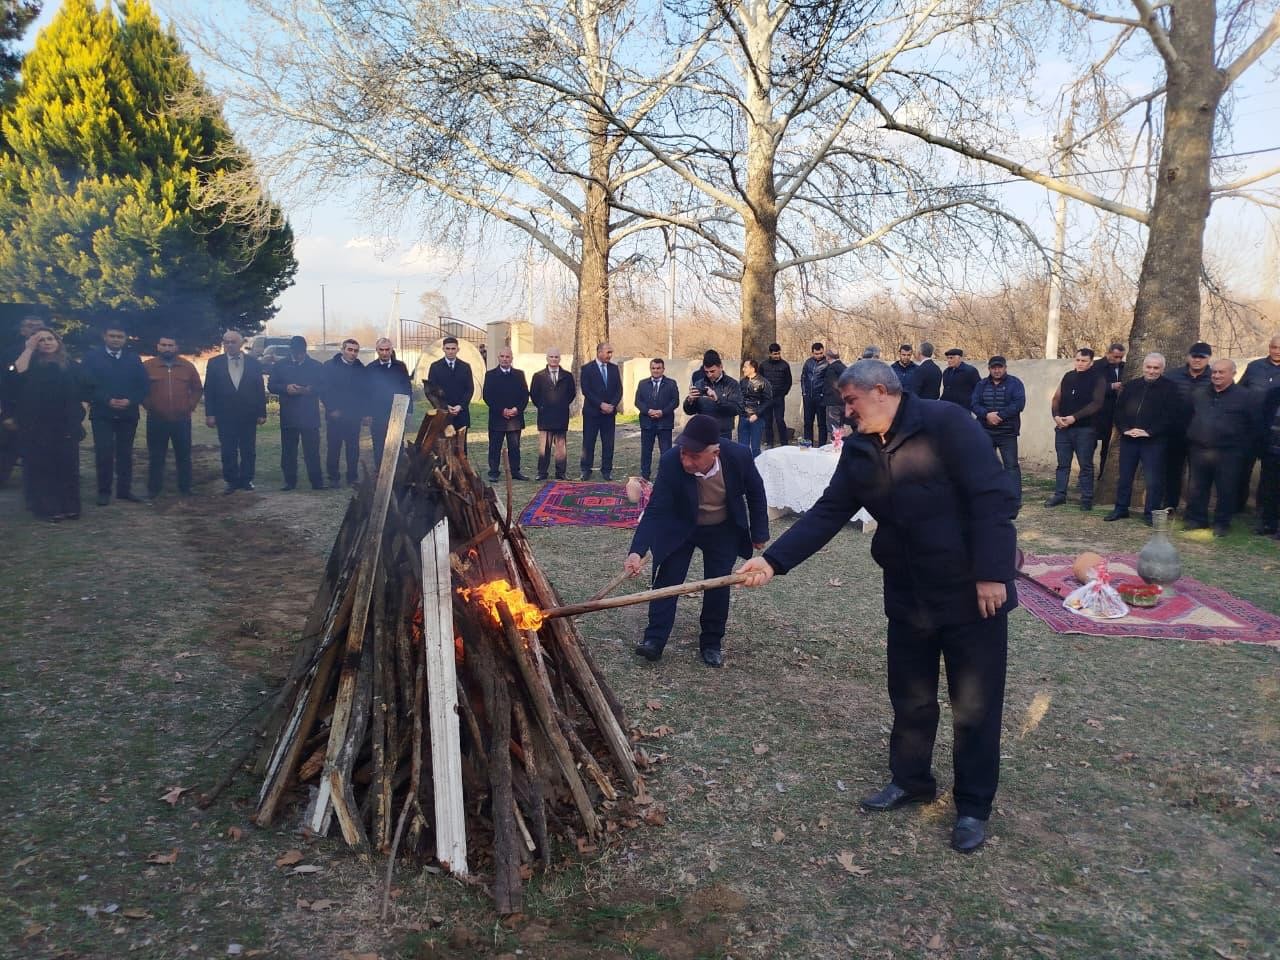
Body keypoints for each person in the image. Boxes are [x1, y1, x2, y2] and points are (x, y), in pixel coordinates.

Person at [737, 360, 1017, 854]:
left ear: (883, 392)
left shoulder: (947, 423)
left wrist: (993, 574)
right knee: (910, 695)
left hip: (970, 593)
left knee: (974, 704)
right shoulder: (861, 448)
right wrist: (773, 562)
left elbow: (992, 498)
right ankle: (910, 780)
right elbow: (828, 511)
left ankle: (973, 805)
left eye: (851, 402)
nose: (845, 413)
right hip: (907, 592)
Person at [624, 413, 768, 668]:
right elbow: (656, 509)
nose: (686, 460)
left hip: (721, 527)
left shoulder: (738, 457)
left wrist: (759, 533)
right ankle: (654, 640)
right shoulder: (671, 461)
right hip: (681, 526)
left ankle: (711, 643)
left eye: (694, 455)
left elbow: (756, 492)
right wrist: (637, 551)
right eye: (683, 453)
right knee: (667, 580)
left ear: (715, 451)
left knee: (717, 583)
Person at [8, 329, 85, 521]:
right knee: (43, 467)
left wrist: (81, 407)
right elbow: (16, 374)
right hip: (38, 423)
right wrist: (28, 348)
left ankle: (70, 505)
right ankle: (47, 508)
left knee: (68, 465)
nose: (47, 342)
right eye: (41, 340)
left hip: (66, 422)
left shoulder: (70, 364)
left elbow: (86, 386)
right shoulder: (30, 362)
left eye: (50, 339)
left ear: (58, 341)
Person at [1184, 359, 1259, 536]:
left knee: (1226, 489)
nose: (1216, 375)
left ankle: (1221, 523)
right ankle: (1197, 520)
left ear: (1233, 374)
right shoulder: (1199, 394)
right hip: (1199, 450)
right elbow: (1187, 416)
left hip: (1229, 453)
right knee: (1197, 487)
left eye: (1221, 372)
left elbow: (1254, 425)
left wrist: (1243, 448)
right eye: (1214, 372)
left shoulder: (1245, 397)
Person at [1104, 352, 1179, 525]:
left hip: (1154, 441)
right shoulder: (1131, 386)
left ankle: (1150, 513)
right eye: (1149, 367)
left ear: (1162, 369)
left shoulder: (1170, 388)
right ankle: (1121, 508)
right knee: (1125, 477)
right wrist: (1126, 430)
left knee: (1153, 480)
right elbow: (1119, 411)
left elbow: (1171, 416)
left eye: (1156, 368)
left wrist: (1149, 432)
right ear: (1143, 367)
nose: (1152, 371)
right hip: (1130, 439)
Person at [80, 323, 149, 506]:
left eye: (120, 336)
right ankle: (104, 491)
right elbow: (86, 385)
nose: (116, 339)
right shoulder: (91, 357)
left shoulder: (134, 359)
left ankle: (124, 491)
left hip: (128, 414)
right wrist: (106, 400)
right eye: (112, 336)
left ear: (125, 339)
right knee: (104, 453)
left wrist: (131, 400)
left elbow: (143, 386)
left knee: (125, 453)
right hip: (102, 413)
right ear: (105, 336)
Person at [204, 330, 267, 493]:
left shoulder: (253, 363)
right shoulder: (214, 363)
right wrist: (210, 414)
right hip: (224, 415)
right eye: (226, 342)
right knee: (228, 449)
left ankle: (246, 480)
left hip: (248, 414)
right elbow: (209, 390)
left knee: (248, 449)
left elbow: (259, 388)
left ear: (241, 344)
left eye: (233, 342)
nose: (229, 345)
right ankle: (231, 481)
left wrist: (262, 413)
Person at [142, 335, 203, 498]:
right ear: (158, 346)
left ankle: (185, 488)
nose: (167, 348)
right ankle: (154, 489)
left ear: (176, 348)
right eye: (164, 345)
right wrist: (150, 405)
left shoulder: (187, 366)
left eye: (170, 345)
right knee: (156, 455)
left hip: (181, 419)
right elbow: (140, 389)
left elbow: (197, 388)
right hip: (156, 419)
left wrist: (190, 405)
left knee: (183, 455)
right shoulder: (148, 366)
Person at [1046, 348, 1105, 510]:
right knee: (1062, 464)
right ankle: (1060, 495)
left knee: (1085, 465)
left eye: (1084, 361)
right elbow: (1056, 398)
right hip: (1063, 428)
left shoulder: (1097, 378)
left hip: (1085, 429)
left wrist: (1074, 417)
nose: (1080, 363)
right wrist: (1056, 416)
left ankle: (1086, 499)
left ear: (1091, 362)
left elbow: (1097, 403)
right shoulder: (1068, 376)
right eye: (1078, 360)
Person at [267, 335, 325, 491]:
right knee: (288, 451)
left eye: (301, 352)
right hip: (289, 415)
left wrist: (309, 390)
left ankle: (316, 481)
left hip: (309, 415)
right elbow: (271, 385)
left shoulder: (316, 366)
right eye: (295, 352)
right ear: (291, 351)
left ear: (305, 350)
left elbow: (323, 386)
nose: (298, 355)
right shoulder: (280, 365)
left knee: (312, 451)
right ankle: (290, 481)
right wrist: (286, 388)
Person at [970, 356, 1025, 511]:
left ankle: (1014, 499)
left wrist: (1000, 416)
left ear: (1005, 367)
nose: (997, 370)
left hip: (1007, 433)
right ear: (989, 369)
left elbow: (1019, 404)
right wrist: (987, 415)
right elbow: (974, 403)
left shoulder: (1015, 383)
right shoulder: (981, 385)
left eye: (1000, 367)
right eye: (994, 367)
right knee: (985, 465)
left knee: (1011, 467)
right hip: (985, 431)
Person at [1164, 342, 1213, 512]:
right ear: (1188, 357)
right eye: (1194, 356)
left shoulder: (1214, 377)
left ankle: (1194, 510)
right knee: (1172, 471)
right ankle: (1170, 505)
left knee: (1198, 475)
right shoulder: (1172, 375)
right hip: (1175, 432)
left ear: (1208, 359)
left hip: (1201, 434)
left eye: (1202, 357)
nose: (1197, 360)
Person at [1238, 333, 1280, 524]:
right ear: (1269, 347)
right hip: (1249, 427)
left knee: (1269, 475)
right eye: (1274, 347)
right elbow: (1240, 390)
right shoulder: (1255, 367)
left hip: (1273, 431)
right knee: (1242, 468)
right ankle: (1237, 506)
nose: (1277, 351)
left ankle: (1263, 513)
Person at [0, 315, 44, 489]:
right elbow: (4, 384)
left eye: (38, 325)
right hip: (15, 408)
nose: (33, 328)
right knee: (7, 447)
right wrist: (6, 414)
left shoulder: (53, 352)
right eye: (29, 325)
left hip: (42, 410)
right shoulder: (9, 353)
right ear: (22, 330)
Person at [321, 338, 367, 488]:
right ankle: (333, 477)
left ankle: (352, 477)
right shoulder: (329, 366)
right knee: (334, 448)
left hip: (353, 416)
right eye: (350, 350)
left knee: (353, 448)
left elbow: (364, 393)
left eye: (355, 351)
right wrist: (331, 408)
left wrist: (363, 412)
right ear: (342, 350)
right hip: (335, 415)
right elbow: (324, 390)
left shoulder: (361, 369)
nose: (352, 353)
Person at [482, 347, 529, 482]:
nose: (504, 359)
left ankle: (515, 471)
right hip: (497, 418)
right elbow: (487, 396)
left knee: (514, 447)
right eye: (502, 356)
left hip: (515, 418)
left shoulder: (519, 374)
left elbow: (525, 395)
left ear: (511, 358)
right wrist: (501, 410)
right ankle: (494, 471)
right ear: (498, 358)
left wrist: (516, 409)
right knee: (494, 446)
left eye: (507, 357)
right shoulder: (490, 375)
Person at [366, 338, 413, 474]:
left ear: (391, 350)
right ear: (377, 350)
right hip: (378, 413)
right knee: (379, 443)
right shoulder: (370, 368)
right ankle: (380, 472)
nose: (385, 353)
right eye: (382, 350)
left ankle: (398, 472)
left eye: (387, 350)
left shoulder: (400, 367)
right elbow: (366, 393)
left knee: (397, 443)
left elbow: (407, 388)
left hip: (397, 411)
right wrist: (367, 413)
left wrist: (409, 411)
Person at [529, 348, 576, 481]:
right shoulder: (538, 376)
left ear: (560, 359)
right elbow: (534, 394)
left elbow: (571, 393)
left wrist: (561, 404)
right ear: (547, 358)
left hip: (561, 415)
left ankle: (561, 473)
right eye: (551, 357)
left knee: (561, 447)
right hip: (545, 416)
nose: (554, 359)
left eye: (556, 357)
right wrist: (543, 405)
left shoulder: (567, 376)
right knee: (544, 446)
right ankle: (542, 472)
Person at [579, 341, 622, 481]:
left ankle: (607, 470)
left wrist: (612, 405)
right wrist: (600, 404)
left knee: (608, 443)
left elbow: (618, 390)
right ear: (599, 352)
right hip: (592, 413)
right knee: (589, 442)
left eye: (611, 352)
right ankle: (586, 470)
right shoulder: (587, 369)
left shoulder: (614, 369)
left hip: (609, 414)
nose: (610, 355)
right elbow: (586, 390)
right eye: (608, 352)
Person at [634, 357, 679, 481]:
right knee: (646, 451)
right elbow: (638, 401)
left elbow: (675, 402)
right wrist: (648, 411)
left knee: (666, 453)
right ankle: (645, 476)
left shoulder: (671, 383)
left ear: (663, 369)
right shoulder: (642, 384)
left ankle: (665, 476)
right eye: (653, 368)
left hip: (664, 424)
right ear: (650, 369)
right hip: (647, 423)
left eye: (658, 368)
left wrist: (662, 412)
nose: (656, 371)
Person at [426, 336, 474, 449]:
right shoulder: (435, 367)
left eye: (453, 348)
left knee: (461, 447)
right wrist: (444, 406)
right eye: (448, 348)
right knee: (444, 447)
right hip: (443, 414)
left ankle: (461, 467)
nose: (451, 351)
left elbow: (469, 389)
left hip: (461, 413)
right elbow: (431, 391)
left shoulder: (465, 367)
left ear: (458, 349)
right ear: (443, 349)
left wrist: (460, 406)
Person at [685, 349, 744, 439]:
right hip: (702, 431)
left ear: (721, 367)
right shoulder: (699, 383)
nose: (709, 375)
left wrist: (718, 400)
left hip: (722, 433)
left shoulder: (732, 384)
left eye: (712, 371)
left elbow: (737, 409)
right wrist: (689, 401)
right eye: (706, 372)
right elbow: (690, 411)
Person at [1091, 343, 1127, 471]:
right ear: (1109, 353)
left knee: (1108, 448)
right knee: (1090, 446)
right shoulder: (1097, 366)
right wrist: (1111, 386)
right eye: (1116, 356)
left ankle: (1102, 475)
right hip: (1098, 413)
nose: (1118, 360)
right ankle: (1085, 476)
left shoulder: (1125, 367)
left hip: (1115, 413)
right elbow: (1092, 388)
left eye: (1121, 357)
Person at [759, 342, 793, 447]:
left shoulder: (785, 365)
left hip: (779, 398)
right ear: (770, 354)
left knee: (779, 420)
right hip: (766, 398)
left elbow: (789, 381)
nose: (777, 356)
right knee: (768, 422)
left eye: (778, 353)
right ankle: (770, 443)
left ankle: (784, 443)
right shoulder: (763, 365)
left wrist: (783, 393)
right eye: (775, 354)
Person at [737, 359, 773, 457]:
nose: (743, 369)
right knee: (742, 447)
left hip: (757, 418)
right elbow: (739, 398)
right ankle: (743, 469)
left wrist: (757, 414)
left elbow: (768, 401)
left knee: (755, 448)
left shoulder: (763, 382)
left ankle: (755, 469)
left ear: (752, 369)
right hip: (743, 417)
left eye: (745, 367)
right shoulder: (742, 382)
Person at [1259, 385, 1280, 539]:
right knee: (1269, 488)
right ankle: (1268, 524)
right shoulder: (1274, 392)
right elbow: (1264, 419)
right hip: (1272, 450)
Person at [800, 342, 828, 445]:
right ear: (812, 353)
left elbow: (828, 381)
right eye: (816, 353)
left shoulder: (826, 363)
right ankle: (808, 444)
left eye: (820, 353)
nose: (819, 355)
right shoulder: (808, 363)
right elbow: (803, 378)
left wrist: (823, 394)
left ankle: (822, 445)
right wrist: (804, 393)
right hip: (808, 397)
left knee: (821, 423)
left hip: (820, 397)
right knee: (808, 423)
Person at [821, 348, 847, 442]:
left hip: (833, 402)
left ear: (828, 357)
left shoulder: (831, 369)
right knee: (840, 427)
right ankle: (840, 447)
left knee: (833, 427)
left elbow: (831, 385)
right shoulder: (844, 367)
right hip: (843, 402)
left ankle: (835, 449)